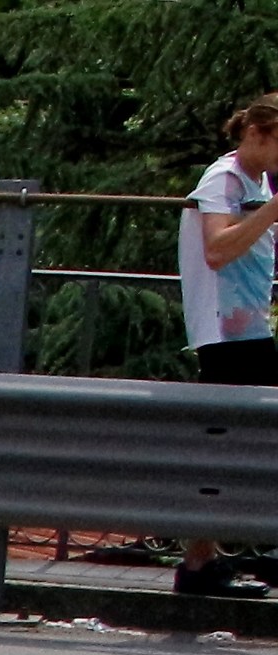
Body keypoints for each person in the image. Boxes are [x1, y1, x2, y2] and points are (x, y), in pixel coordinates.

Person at [172, 93, 278, 599]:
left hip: (248, 327)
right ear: (258, 134)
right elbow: (217, 249)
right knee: (236, 444)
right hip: (224, 330)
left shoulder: (256, 180)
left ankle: (199, 564)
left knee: (229, 444)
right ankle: (227, 557)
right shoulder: (223, 179)